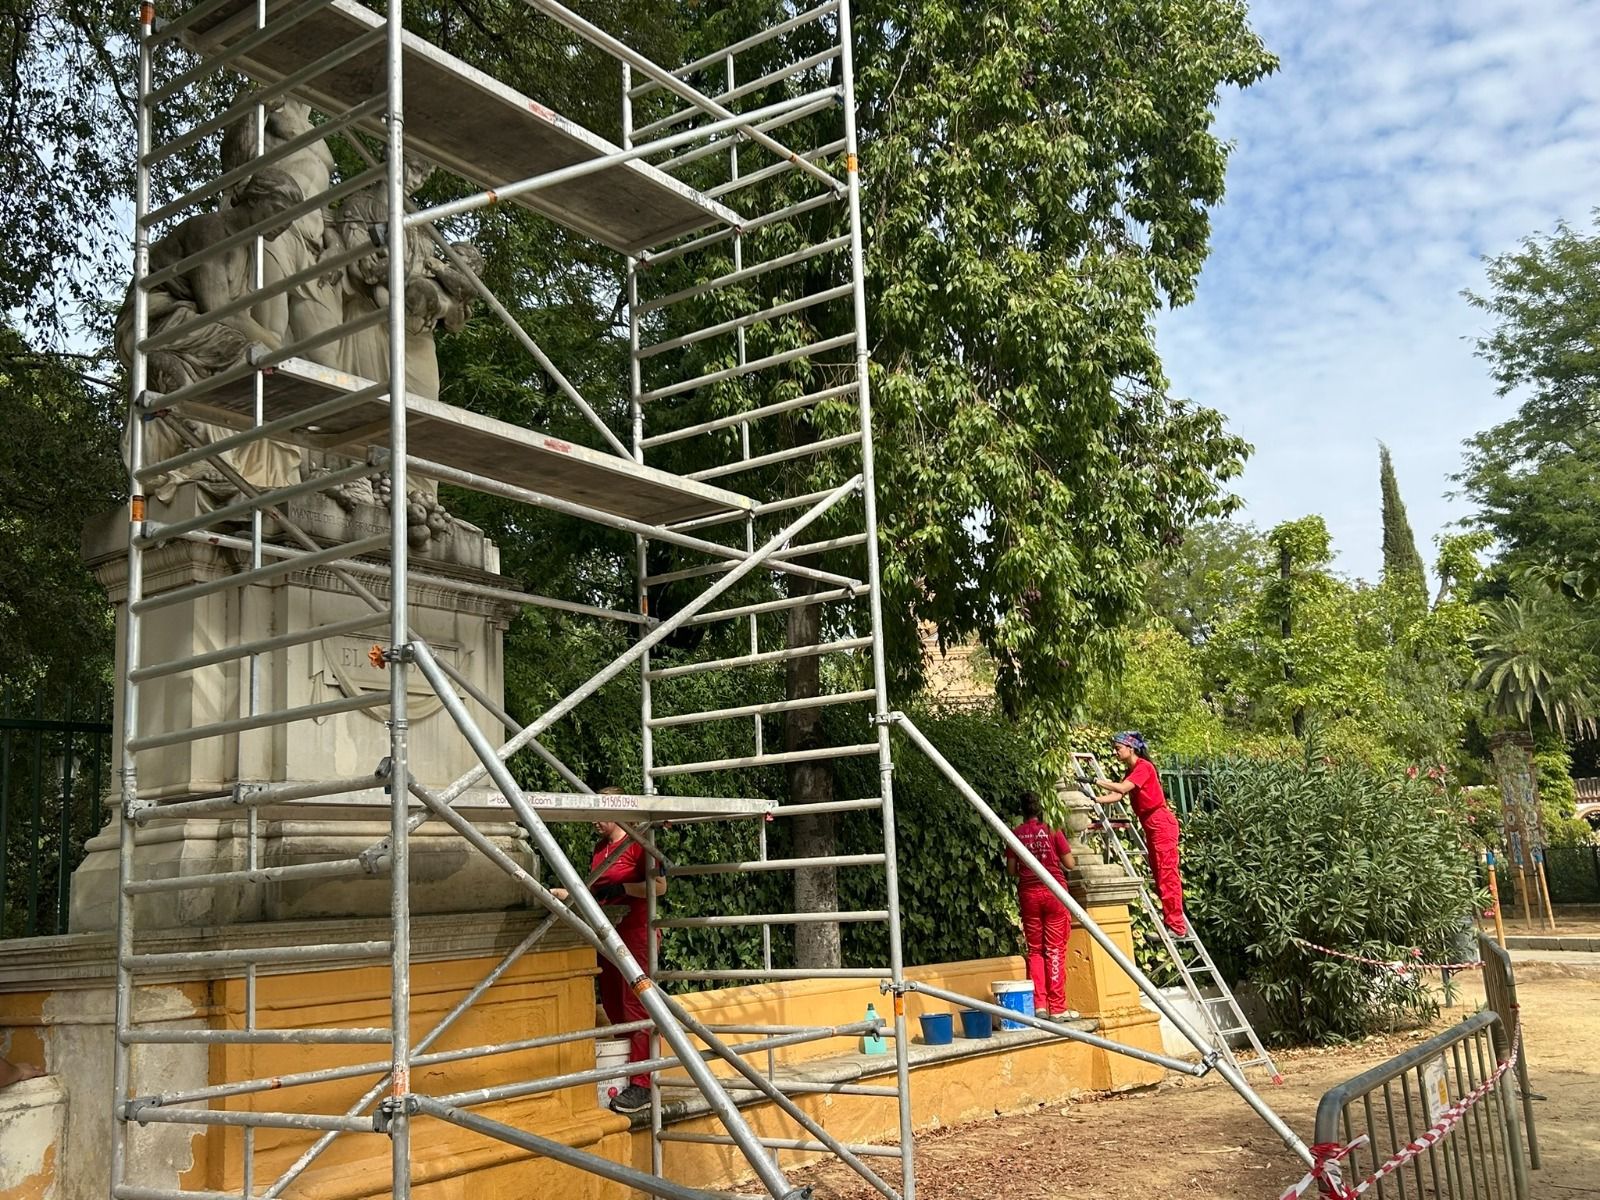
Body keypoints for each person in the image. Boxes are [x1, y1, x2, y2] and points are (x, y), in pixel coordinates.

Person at [549, 788, 665, 1116]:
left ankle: (643, 1083)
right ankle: (630, 1074)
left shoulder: (638, 843)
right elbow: (597, 887)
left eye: (599, 814)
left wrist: (624, 888)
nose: (595, 822)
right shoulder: (601, 848)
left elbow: (659, 887)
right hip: (607, 931)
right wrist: (568, 893)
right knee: (614, 1004)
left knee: (635, 1006)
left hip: (635, 932)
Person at [1095, 731, 1188, 937]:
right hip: (1150, 824)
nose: (1115, 752)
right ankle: (1171, 922)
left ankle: (1176, 926)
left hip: (1160, 822)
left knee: (1167, 873)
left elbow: (1122, 788)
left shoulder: (1143, 768)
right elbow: (1117, 794)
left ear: (1131, 748)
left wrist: (1096, 780)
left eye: (1118, 748)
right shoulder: (1131, 772)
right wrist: (1094, 800)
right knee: (1159, 873)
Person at [1006, 790, 1076, 1019]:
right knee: (1055, 948)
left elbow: (1011, 870)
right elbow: (1070, 864)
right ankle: (1057, 1008)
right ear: (1041, 809)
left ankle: (1040, 1006)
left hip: (1029, 894)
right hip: (1054, 892)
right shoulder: (1052, 831)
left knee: (1035, 950)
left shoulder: (1015, 834)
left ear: (1022, 811)